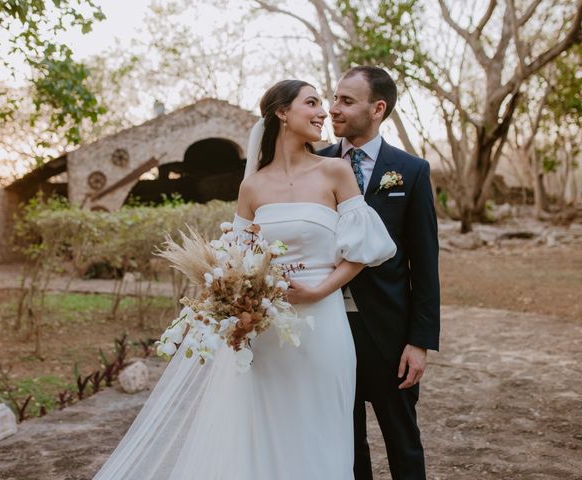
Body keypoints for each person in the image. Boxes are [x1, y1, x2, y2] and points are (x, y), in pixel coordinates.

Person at [92, 79, 396, 479]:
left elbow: (363, 250)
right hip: (266, 331)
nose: (323, 111)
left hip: (323, 325)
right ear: (282, 113)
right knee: (267, 428)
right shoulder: (252, 186)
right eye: (312, 102)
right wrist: (241, 309)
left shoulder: (335, 172)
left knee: (324, 428)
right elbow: (235, 260)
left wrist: (319, 290)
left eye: (323, 103)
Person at [317, 66, 441, 480]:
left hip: (388, 333)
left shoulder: (411, 170)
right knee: (343, 442)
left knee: (402, 443)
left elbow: (425, 265)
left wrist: (419, 342)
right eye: (334, 98)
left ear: (378, 109)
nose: (333, 108)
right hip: (325, 326)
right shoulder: (314, 164)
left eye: (346, 101)